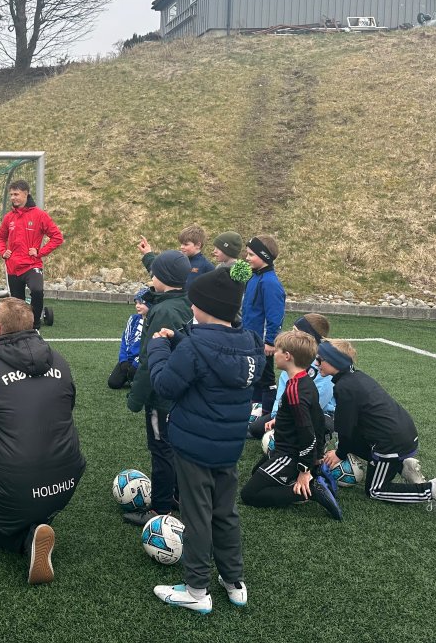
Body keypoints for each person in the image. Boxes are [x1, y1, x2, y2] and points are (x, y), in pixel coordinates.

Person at [147, 262, 262, 613]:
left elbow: (166, 384)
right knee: (225, 512)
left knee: (197, 516)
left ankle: (197, 589)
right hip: (228, 447)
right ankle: (234, 581)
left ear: (205, 308)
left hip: (194, 446)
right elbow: (217, 357)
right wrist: (181, 340)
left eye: (196, 302)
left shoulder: (195, 346)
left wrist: (158, 349)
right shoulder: (249, 341)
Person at [0, 298, 85, 585]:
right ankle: (39, 519)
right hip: (67, 481)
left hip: (16, 485)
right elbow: (67, 407)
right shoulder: (61, 361)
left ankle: (27, 538)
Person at [317, 340, 436, 524]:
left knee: (375, 490)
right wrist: (344, 448)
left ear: (335, 361)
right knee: (351, 441)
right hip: (401, 433)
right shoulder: (356, 377)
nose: (316, 363)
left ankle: (431, 489)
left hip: (391, 442)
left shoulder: (345, 387)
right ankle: (402, 466)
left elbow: (345, 430)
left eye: (320, 360)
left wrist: (339, 453)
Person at [239, 330, 342, 520]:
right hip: (286, 451)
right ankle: (305, 478)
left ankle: (310, 490)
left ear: (287, 356)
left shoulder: (295, 390)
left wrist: (305, 469)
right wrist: (318, 454)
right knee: (257, 474)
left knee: (249, 494)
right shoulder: (304, 380)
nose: (274, 354)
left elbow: (307, 432)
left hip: (289, 455)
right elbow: (317, 419)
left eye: (277, 351)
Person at [124, 250, 193, 526]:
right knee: (173, 445)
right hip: (179, 394)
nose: (151, 276)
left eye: (154, 274)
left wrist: (135, 399)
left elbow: (149, 360)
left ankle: (160, 508)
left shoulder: (164, 312)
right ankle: (176, 495)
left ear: (163, 278)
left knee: (161, 448)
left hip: (160, 397)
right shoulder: (182, 301)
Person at [249, 313, 335, 440]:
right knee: (256, 429)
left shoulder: (323, 365)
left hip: (315, 413)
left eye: (295, 331)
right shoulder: (293, 359)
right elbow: (281, 395)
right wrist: (277, 416)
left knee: (320, 426)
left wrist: (285, 420)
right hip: (288, 410)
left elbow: (317, 404)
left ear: (307, 337)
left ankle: (321, 439)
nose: (290, 334)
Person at [0, 180, 64, 330]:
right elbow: (0, 238)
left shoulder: (39, 215)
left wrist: (40, 252)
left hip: (32, 264)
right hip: (13, 266)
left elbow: (57, 237)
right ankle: (20, 328)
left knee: (37, 290)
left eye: (16, 194)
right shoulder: (9, 217)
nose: (13, 198)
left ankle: (35, 325)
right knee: (17, 302)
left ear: (26, 194)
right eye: (11, 194)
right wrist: (3, 252)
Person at [242, 235, 286, 411]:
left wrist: (270, 341)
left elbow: (275, 315)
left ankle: (267, 412)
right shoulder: (254, 277)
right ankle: (254, 410)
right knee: (253, 376)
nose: (247, 258)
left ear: (264, 256)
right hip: (250, 337)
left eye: (251, 254)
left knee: (266, 379)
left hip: (262, 342)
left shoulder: (270, 283)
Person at [138, 225, 214, 290]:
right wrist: (148, 253)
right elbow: (159, 272)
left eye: (185, 244)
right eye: (181, 244)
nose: (181, 247)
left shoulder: (207, 267)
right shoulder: (176, 260)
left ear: (198, 245)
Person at [108, 287, 149, 389]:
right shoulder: (133, 319)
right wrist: (123, 360)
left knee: (139, 385)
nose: (137, 306)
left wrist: (136, 363)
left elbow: (147, 348)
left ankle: (136, 377)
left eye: (141, 303)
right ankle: (130, 376)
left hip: (142, 361)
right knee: (113, 383)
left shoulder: (153, 322)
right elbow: (125, 340)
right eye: (136, 303)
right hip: (128, 359)